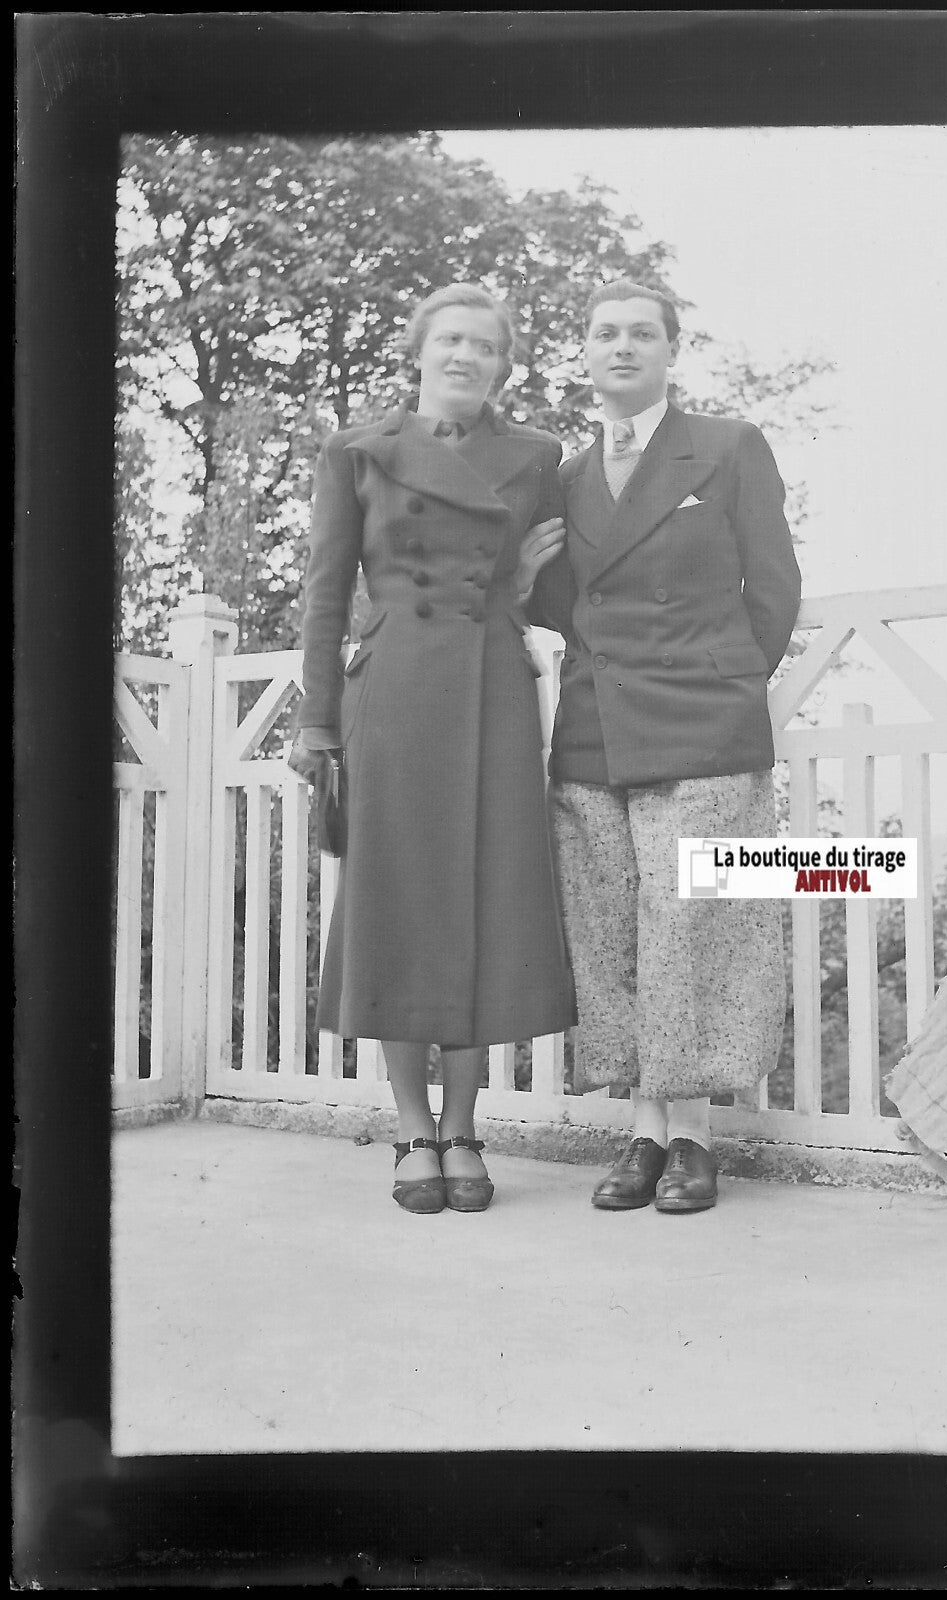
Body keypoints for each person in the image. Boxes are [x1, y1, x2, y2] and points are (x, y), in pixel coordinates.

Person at [289, 283, 575, 1215]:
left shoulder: (536, 456)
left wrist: (524, 587)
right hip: (399, 690)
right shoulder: (357, 453)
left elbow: (537, 589)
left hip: (490, 684)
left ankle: (464, 1128)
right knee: (401, 902)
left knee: (486, 900)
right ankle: (414, 1130)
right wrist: (316, 722)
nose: (465, 357)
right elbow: (327, 597)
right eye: (450, 340)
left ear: (503, 364)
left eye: (485, 347)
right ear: (417, 350)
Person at [526, 279, 801, 1213]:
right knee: (614, 931)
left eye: (642, 333)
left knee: (696, 928)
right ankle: (641, 1135)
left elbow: (772, 589)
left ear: (670, 350)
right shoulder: (560, 476)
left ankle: (693, 1138)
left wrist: (722, 683)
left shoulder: (726, 447)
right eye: (604, 333)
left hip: (703, 724)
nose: (622, 348)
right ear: (585, 352)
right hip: (597, 727)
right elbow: (561, 600)